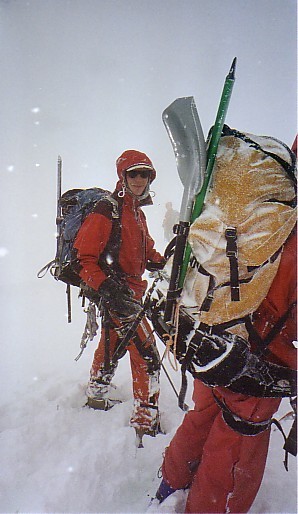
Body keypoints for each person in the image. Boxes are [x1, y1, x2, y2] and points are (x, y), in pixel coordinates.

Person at [153, 138, 297, 513]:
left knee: (203, 415)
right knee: (236, 449)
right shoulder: (284, 220)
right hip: (260, 364)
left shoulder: (259, 204)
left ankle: (172, 480)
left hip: (212, 333)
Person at [74, 149, 165, 441]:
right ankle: (145, 421)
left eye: (145, 174)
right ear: (122, 176)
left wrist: (167, 263)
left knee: (113, 342)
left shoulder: (136, 213)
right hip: (115, 291)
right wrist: (106, 288)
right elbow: (83, 258)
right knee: (147, 353)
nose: (140, 179)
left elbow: (147, 252)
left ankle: (97, 394)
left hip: (132, 292)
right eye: (133, 173)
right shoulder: (107, 209)